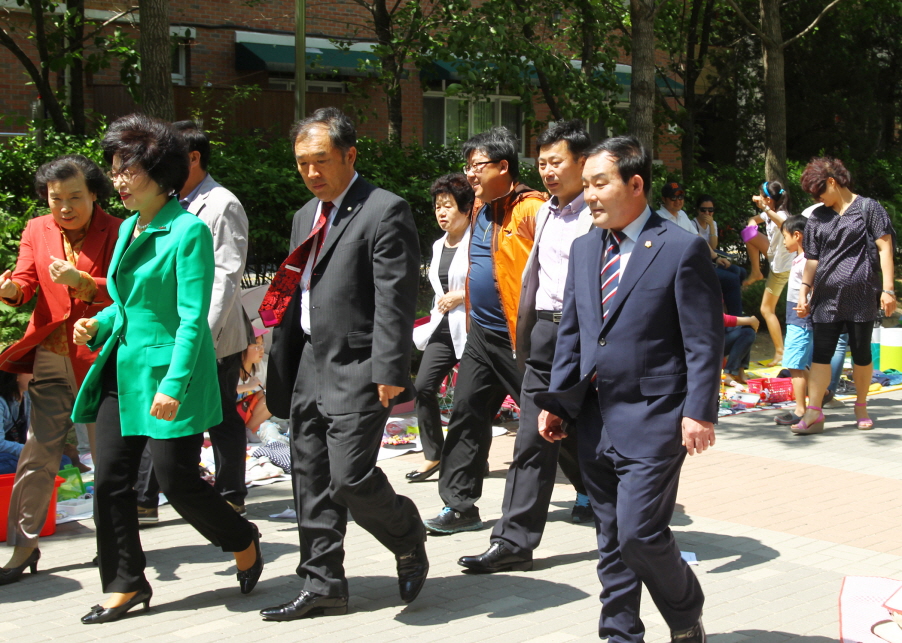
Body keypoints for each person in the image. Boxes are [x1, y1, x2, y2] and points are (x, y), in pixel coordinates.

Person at [71, 114, 262, 624]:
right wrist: (98, 322)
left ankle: (242, 538)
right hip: (122, 371)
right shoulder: (132, 226)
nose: (118, 181)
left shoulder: (188, 232)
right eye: (113, 170)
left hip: (167, 374)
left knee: (178, 482)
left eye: (126, 171)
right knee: (111, 479)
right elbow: (130, 302)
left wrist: (174, 384)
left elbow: (189, 319)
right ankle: (125, 584)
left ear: (160, 172)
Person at [535, 136, 722, 643]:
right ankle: (620, 633)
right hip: (595, 417)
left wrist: (699, 412)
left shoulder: (681, 248)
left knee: (639, 533)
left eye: (600, 183)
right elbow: (573, 333)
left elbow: (704, 341)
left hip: (657, 416)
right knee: (610, 537)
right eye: (587, 184)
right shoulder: (584, 247)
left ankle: (685, 611)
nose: (589, 195)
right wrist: (558, 402)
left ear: (635, 184)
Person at [258, 107, 427, 621]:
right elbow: (293, 291)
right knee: (308, 475)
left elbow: (395, 297)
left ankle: (407, 533)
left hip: (360, 364)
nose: (311, 172)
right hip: (309, 359)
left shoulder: (383, 210)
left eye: (321, 161)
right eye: (302, 163)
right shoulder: (303, 216)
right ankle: (323, 582)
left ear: (350, 155)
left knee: (349, 478)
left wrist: (389, 369)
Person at [458, 119, 594, 575]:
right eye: (543, 163)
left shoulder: (597, 214)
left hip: (589, 338)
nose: (549, 171)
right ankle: (513, 540)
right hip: (543, 336)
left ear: (583, 162)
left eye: (557, 162)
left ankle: (633, 524)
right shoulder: (550, 211)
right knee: (531, 439)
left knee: (600, 437)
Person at [0, 154, 119, 585]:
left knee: (104, 454)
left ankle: (111, 542)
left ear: (93, 194)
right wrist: (12, 288)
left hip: (97, 352)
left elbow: (126, 290)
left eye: (74, 197)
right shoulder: (36, 228)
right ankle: (24, 546)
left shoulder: (119, 229)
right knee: (37, 451)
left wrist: (83, 283)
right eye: (55, 199)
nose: (64, 207)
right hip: (50, 353)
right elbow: (26, 281)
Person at [422, 127, 545, 535]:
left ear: (503, 167)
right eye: (469, 167)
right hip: (481, 336)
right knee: (466, 415)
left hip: (517, 340)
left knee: (549, 415)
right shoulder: (478, 206)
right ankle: (459, 505)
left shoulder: (531, 209)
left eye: (478, 167)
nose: (470, 175)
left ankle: (591, 491)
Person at [133, 120, 253, 522]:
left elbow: (225, 278)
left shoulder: (221, 204)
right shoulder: (160, 205)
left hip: (213, 334)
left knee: (218, 416)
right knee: (160, 411)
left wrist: (200, 335)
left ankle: (233, 494)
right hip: (171, 335)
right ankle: (145, 499)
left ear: (194, 158)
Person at [792, 157, 896, 434]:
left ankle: (861, 406)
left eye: (819, 193)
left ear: (832, 182)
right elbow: (812, 259)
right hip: (825, 298)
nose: (817, 199)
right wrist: (804, 292)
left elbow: (885, 248)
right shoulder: (818, 217)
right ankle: (815, 411)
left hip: (862, 296)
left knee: (861, 354)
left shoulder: (868, 208)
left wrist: (888, 290)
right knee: (821, 354)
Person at [408, 174, 474, 482]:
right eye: (438, 206)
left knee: (468, 399)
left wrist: (463, 295)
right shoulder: (437, 245)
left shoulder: (479, 240)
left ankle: (471, 457)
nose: (442, 212)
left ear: (466, 208)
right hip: (443, 328)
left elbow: (495, 282)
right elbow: (439, 287)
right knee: (423, 387)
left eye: (448, 206)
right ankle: (433, 454)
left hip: (473, 329)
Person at [740, 180, 792, 366]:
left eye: (762, 197)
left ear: (769, 199)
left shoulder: (781, 214)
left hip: (784, 267)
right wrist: (753, 225)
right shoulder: (770, 210)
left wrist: (766, 208)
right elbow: (753, 220)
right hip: (775, 257)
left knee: (766, 309)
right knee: (747, 232)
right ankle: (756, 272)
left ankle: (780, 352)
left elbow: (785, 224)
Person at [774, 216, 814, 426]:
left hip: (801, 320)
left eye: (784, 237)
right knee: (801, 365)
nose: (783, 241)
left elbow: (814, 288)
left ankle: (800, 410)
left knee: (795, 365)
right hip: (796, 319)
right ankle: (821, 392)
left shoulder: (807, 261)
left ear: (797, 236)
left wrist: (806, 306)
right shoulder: (800, 259)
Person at [694, 194, 746, 317]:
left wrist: (711, 226)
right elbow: (709, 249)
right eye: (703, 210)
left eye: (710, 210)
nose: (707, 213)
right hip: (704, 261)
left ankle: (729, 304)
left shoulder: (713, 224)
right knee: (734, 275)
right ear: (697, 210)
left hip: (713, 257)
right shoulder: (692, 224)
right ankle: (734, 313)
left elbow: (713, 246)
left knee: (741, 271)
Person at [237, 327, 272, 434]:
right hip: (225, 415)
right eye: (257, 346)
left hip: (247, 414)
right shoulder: (228, 369)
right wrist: (247, 387)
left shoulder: (262, 367)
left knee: (272, 393)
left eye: (262, 345)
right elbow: (221, 392)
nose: (261, 350)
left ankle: (247, 430)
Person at [0, 373, 32, 475]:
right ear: (16, 376)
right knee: (11, 465)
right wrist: (30, 450)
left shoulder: (27, 396)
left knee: (64, 460)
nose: (36, 375)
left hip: (20, 453)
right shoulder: (1, 402)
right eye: (30, 371)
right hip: (6, 456)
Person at [723, 314, 760, 386]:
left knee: (747, 327)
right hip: (703, 346)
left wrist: (748, 320)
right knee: (747, 332)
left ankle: (740, 370)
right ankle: (729, 372)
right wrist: (749, 320)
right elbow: (716, 318)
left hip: (717, 335)